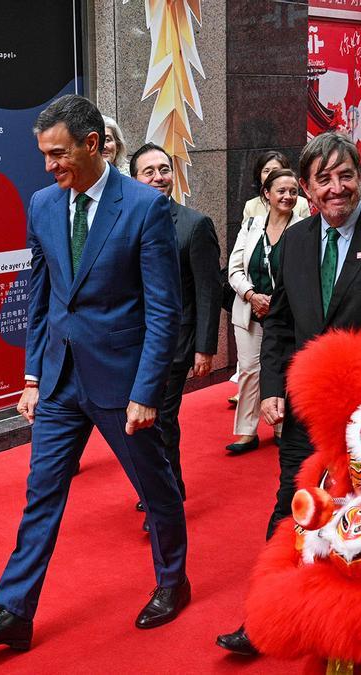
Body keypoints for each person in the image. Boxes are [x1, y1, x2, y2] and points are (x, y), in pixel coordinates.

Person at [0, 95, 189, 651]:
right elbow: (41, 300)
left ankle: (173, 582)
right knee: (41, 493)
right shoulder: (40, 204)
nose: (49, 166)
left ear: (92, 145)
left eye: (58, 154)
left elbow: (164, 310)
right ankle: (14, 610)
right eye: (43, 155)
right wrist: (32, 376)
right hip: (60, 380)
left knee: (154, 488)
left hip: (121, 384)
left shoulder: (143, 207)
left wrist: (145, 392)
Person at [217, 132, 361, 656]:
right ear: (307, 189)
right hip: (305, 410)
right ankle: (267, 614)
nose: (337, 188)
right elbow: (281, 327)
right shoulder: (292, 244)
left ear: (359, 176)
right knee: (294, 507)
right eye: (325, 179)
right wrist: (272, 388)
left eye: (346, 176)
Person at [129, 142, 221, 511]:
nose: (158, 177)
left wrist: (205, 346)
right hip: (132, 341)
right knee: (141, 420)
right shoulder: (123, 222)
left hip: (176, 342)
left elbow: (208, 289)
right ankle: (166, 486)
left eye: (164, 170)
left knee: (162, 418)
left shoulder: (194, 225)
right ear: (134, 179)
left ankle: (165, 497)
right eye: (148, 171)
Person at [226, 169, 300, 454]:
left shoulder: (303, 228)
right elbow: (233, 269)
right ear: (266, 194)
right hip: (249, 309)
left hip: (286, 314)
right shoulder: (251, 225)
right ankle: (246, 431)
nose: (288, 196)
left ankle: (281, 425)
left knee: (285, 369)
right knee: (249, 370)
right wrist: (251, 295)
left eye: (293, 191)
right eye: (281, 190)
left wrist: (277, 303)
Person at [242, 150, 311, 221]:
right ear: (259, 175)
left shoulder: (301, 204)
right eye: (266, 171)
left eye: (275, 171)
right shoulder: (251, 206)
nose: (270, 175)